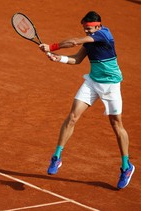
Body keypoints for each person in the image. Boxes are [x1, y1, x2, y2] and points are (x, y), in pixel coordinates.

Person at [39, 11, 134, 189]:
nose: (88, 32)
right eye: (85, 29)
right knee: (73, 116)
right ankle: (57, 157)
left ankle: (126, 166)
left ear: (98, 25)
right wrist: (58, 58)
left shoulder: (104, 35)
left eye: (90, 29)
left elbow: (74, 41)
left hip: (111, 85)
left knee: (116, 124)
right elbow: (77, 59)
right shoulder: (90, 40)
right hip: (93, 83)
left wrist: (52, 47)